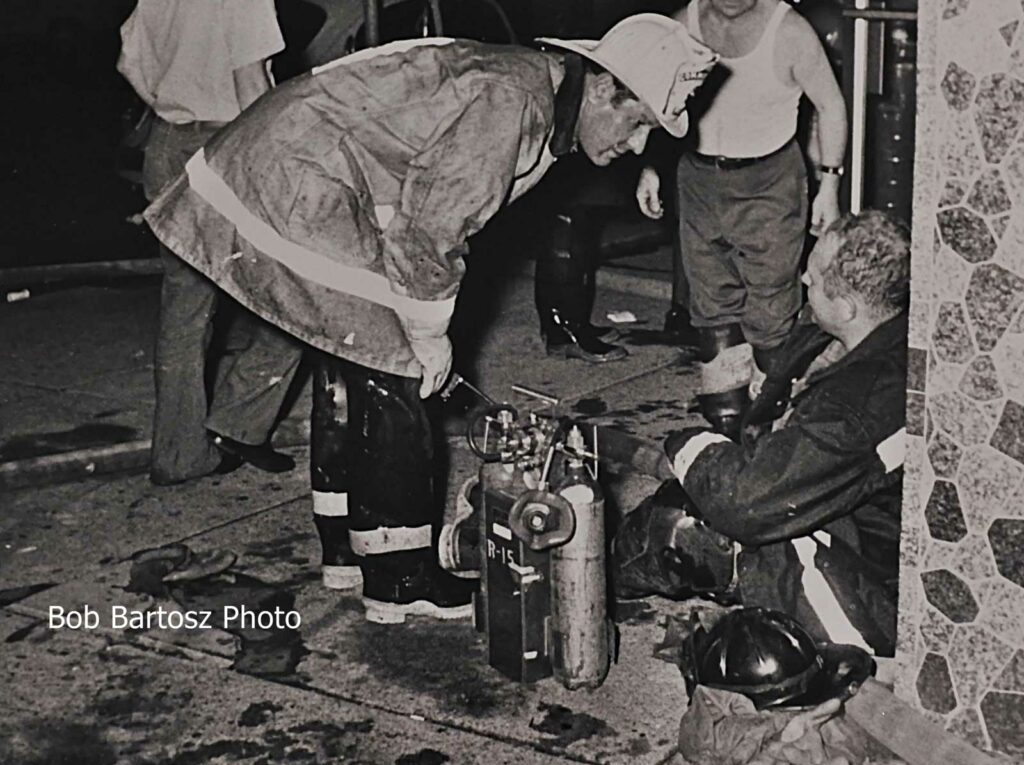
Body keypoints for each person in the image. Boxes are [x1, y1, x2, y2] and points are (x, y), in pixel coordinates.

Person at [142, 15, 717, 623]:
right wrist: (427, 333)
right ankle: (398, 577)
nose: (635, 146)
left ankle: (346, 549)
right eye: (637, 126)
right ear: (603, 87)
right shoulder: (513, 101)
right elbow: (432, 229)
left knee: (352, 358)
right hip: (293, 183)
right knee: (396, 369)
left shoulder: (531, 86)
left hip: (281, 168)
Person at [615, 210, 909, 657]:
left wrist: (685, 445)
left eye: (812, 280)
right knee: (708, 493)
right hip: (851, 509)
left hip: (862, 554)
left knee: (686, 526)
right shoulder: (873, 336)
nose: (803, 281)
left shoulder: (858, 406)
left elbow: (747, 501)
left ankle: (597, 574)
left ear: (848, 307)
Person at [636, 0, 847, 439]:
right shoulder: (682, 25)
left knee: (770, 308)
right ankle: (727, 424)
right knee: (711, 304)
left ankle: (773, 423)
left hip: (770, 184)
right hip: (699, 178)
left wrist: (829, 183)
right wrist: (652, 167)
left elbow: (830, 105)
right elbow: (657, 102)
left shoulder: (789, 31)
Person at [118, 0, 304, 486]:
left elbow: (129, 59)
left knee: (184, 308)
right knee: (297, 292)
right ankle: (241, 422)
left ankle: (179, 454)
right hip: (229, 146)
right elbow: (253, 91)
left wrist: (168, 104)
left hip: (168, 145)